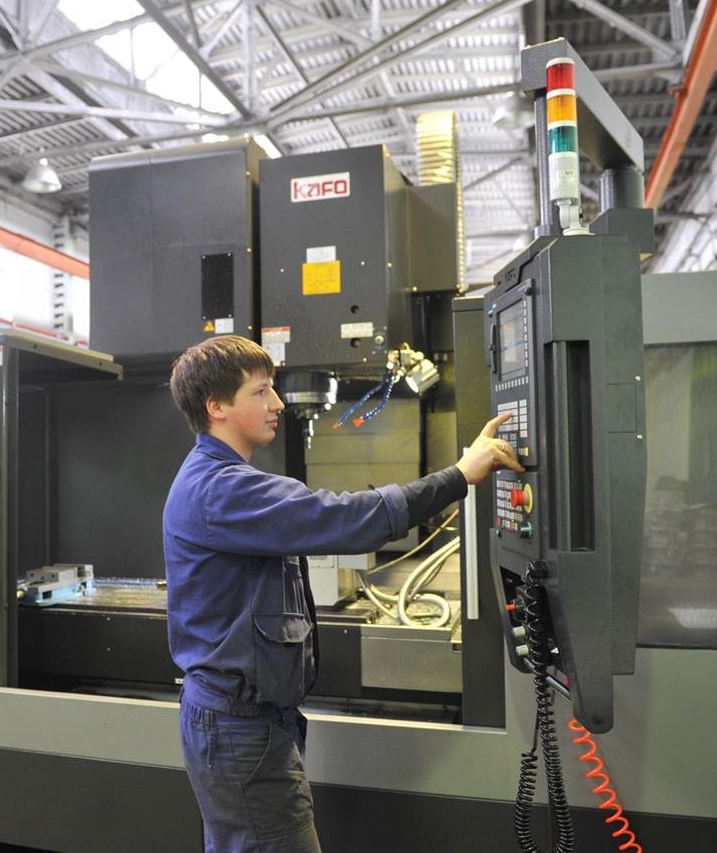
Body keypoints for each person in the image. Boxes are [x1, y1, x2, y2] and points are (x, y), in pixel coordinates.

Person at [163, 335, 524, 853]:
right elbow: (345, 518)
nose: (277, 403)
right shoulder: (221, 488)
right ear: (216, 406)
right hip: (240, 728)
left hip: (245, 722)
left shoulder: (223, 480)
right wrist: (460, 476)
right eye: (260, 391)